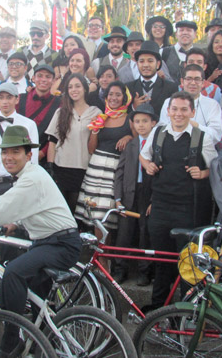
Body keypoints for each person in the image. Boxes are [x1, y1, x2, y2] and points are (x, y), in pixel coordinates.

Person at [0, 125, 81, 356]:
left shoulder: (31, 178)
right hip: (49, 242)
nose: (8, 157)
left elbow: (3, 205)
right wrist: (16, 223)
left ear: (29, 155)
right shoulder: (28, 177)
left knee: (13, 274)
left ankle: (12, 340)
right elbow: (35, 207)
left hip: (59, 244)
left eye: (15, 152)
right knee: (36, 298)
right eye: (5, 153)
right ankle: (41, 344)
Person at [140, 91, 218, 309]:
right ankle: (159, 310)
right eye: (175, 109)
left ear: (192, 112)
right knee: (162, 261)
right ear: (168, 111)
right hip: (161, 207)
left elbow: (216, 168)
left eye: (184, 109)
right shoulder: (158, 133)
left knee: (188, 264)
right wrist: (148, 166)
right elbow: (144, 156)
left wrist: (203, 173)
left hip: (189, 210)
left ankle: (187, 313)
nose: (179, 113)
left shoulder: (203, 136)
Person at [76, 81, 133, 232]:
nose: (114, 98)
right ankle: (97, 251)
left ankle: (104, 252)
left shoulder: (130, 119)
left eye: (118, 95)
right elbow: (91, 149)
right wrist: (95, 130)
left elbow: (140, 140)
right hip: (96, 166)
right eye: (111, 94)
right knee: (94, 210)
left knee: (106, 212)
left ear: (124, 97)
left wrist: (129, 138)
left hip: (115, 168)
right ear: (106, 97)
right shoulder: (101, 117)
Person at [113, 103, 158, 286]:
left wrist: (155, 200)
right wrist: (117, 198)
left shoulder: (158, 144)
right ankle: (119, 270)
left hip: (148, 193)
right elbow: (120, 172)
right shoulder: (131, 145)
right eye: (137, 121)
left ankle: (144, 272)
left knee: (145, 234)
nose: (141, 125)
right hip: (128, 193)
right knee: (124, 234)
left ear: (153, 123)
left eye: (145, 121)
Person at [46, 74, 102, 212]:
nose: (74, 90)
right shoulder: (61, 112)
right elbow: (52, 142)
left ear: (85, 89)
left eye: (77, 86)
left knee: (76, 212)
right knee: (60, 211)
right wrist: (50, 166)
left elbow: (95, 144)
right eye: (70, 87)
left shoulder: (95, 112)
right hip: (61, 168)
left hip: (83, 169)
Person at [159, 64, 222, 145]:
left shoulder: (212, 105)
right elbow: (162, 129)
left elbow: (216, 135)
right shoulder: (169, 102)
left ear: (203, 83)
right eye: (189, 79)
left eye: (197, 79)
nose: (193, 83)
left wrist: (196, 126)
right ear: (182, 82)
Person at [16, 64, 61, 165]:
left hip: (43, 158)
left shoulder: (59, 103)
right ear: (33, 78)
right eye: (40, 76)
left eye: (48, 77)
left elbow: (57, 133)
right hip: (18, 155)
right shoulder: (19, 99)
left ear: (53, 81)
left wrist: (42, 153)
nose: (43, 79)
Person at [127, 41, 178, 114]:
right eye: (141, 61)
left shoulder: (170, 88)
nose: (145, 65)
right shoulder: (128, 88)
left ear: (158, 64)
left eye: (150, 61)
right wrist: (134, 107)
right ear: (137, 64)